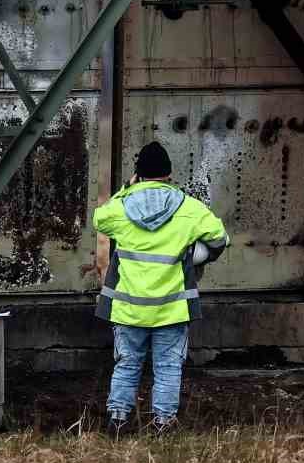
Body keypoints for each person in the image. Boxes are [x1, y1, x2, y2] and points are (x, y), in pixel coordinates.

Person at [93, 141, 229, 435]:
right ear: (169, 174)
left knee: (127, 364)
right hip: (172, 309)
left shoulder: (120, 208)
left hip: (129, 309)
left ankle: (117, 421)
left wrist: (127, 188)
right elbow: (220, 238)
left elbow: (98, 218)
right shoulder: (190, 209)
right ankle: (163, 425)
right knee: (168, 367)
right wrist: (198, 257)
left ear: (138, 175)